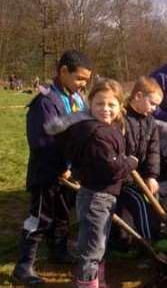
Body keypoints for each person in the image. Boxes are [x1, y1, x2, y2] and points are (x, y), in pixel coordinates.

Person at [12, 50, 92, 286]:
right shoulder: (46, 101)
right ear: (63, 71)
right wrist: (60, 165)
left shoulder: (77, 98)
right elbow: (42, 140)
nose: (83, 84)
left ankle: (58, 250)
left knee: (62, 214)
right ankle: (23, 266)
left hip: (68, 171)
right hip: (46, 172)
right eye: (80, 79)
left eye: (86, 80)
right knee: (39, 218)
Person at [51, 79, 138, 287]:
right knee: (93, 248)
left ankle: (98, 280)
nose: (105, 109)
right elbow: (112, 169)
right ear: (90, 103)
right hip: (97, 197)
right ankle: (87, 283)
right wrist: (130, 163)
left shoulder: (100, 127)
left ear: (120, 106)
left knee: (98, 243)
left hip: (99, 194)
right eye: (100, 103)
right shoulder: (98, 134)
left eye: (111, 104)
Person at [109, 76, 163, 251]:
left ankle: (156, 231)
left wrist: (152, 176)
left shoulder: (150, 122)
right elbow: (116, 153)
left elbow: (154, 151)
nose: (154, 109)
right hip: (121, 178)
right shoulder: (121, 119)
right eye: (153, 103)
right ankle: (149, 243)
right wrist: (127, 173)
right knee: (139, 201)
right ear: (138, 96)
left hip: (139, 176)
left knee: (153, 195)